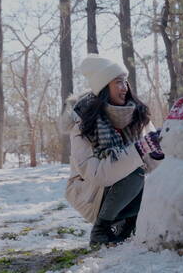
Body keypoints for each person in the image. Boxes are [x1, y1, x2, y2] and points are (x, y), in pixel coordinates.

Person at [60, 54, 163, 247]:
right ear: (104, 87)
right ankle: (101, 230)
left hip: (120, 191)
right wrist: (140, 149)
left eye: (125, 82)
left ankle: (127, 226)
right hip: (90, 193)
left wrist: (158, 153)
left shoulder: (135, 115)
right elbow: (97, 174)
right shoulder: (83, 122)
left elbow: (151, 165)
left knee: (147, 177)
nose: (124, 88)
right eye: (118, 82)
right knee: (133, 172)